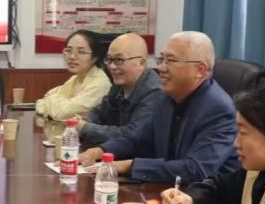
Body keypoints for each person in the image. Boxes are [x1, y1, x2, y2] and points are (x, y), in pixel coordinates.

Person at [79, 31, 238, 184]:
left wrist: (129, 166)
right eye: (162, 59)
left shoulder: (218, 109)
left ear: (200, 70)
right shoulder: (166, 98)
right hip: (168, 189)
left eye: (171, 61)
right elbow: (137, 139)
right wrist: (98, 152)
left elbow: (195, 169)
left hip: (205, 196)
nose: (161, 68)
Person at [71, 32, 162, 146]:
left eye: (119, 60)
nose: (112, 67)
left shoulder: (154, 92)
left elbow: (132, 135)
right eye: (109, 60)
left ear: (141, 63)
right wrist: (84, 121)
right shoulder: (119, 86)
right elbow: (100, 112)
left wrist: (85, 128)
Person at [34, 30, 111, 121]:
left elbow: (62, 113)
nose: (72, 57)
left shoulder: (100, 84)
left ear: (94, 58)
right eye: (68, 50)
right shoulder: (75, 79)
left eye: (81, 52)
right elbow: (40, 104)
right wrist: (57, 105)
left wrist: (52, 101)